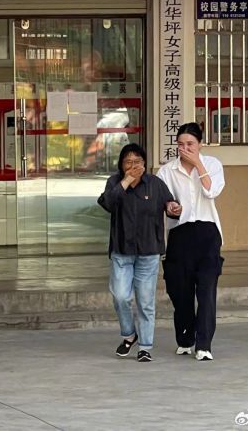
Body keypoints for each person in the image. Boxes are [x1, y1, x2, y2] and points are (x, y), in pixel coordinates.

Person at [98, 143, 180, 363]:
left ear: (145, 163)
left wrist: (173, 208)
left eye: (138, 161)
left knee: (145, 302)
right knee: (120, 296)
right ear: (121, 165)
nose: (133, 165)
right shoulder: (115, 182)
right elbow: (107, 203)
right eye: (128, 162)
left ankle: (145, 346)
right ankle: (129, 334)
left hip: (148, 250)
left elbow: (170, 204)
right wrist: (125, 181)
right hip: (122, 250)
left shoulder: (155, 184)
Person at [157, 122, 225, 362]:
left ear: (200, 144)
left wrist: (198, 164)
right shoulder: (167, 171)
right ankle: (185, 339)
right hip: (180, 233)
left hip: (207, 232)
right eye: (181, 144)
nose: (185, 148)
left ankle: (204, 345)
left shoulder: (213, 165)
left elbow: (212, 192)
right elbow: (164, 202)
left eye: (190, 144)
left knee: (206, 290)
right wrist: (170, 207)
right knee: (180, 290)